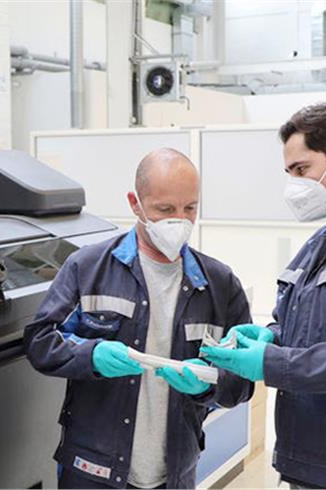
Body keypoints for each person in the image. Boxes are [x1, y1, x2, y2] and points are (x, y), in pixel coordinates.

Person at [24, 148, 254, 489]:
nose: (179, 220)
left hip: (174, 473)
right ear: (135, 203)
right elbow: (40, 341)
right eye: (165, 209)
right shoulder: (88, 269)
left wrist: (208, 384)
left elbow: (243, 382)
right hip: (93, 471)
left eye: (190, 208)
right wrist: (91, 356)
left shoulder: (220, 286)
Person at [202, 103, 326, 490]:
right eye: (289, 173)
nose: (295, 185)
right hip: (307, 459)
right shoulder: (316, 246)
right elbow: (292, 321)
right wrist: (269, 335)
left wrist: (270, 362)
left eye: (303, 169)